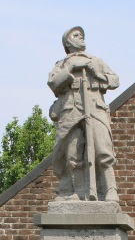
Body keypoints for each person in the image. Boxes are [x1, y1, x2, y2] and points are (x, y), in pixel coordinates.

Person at [47, 26, 120, 201]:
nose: (81, 37)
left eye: (82, 35)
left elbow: (115, 81)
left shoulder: (96, 61)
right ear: (67, 42)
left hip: (95, 107)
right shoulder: (61, 64)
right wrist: (70, 69)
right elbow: (53, 83)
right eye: (76, 35)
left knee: (103, 147)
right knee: (72, 152)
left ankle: (110, 190)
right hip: (71, 110)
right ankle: (75, 191)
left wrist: (97, 73)